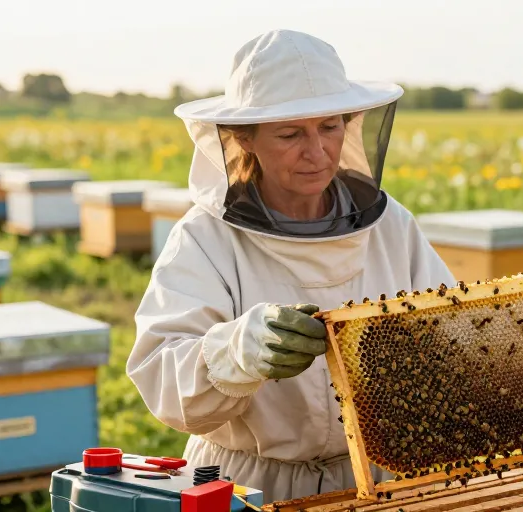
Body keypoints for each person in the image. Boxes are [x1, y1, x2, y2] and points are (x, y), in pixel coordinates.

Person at [126, 29, 455, 503]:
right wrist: (236, 352)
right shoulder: (205, 238)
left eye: (330, 127)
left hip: (379, 477)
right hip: (250, 483)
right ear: (245, 138)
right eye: (290, 133)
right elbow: (163, 380)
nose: (317, 151)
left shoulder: (391, 226)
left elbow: (453, 338)